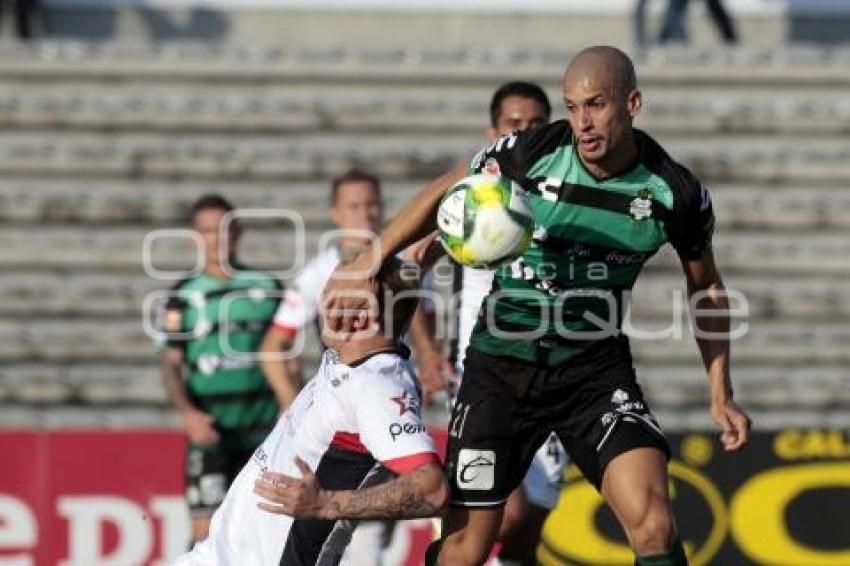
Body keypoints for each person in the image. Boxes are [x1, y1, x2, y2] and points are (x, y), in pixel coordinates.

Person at [322, 46, 752, 566]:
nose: (583, 122)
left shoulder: (675, 193)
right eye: (572, 107)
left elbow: (705, 287)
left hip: (593, 376)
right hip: (500, 371)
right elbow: (447, 189)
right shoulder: (532, 152)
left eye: (595, 104)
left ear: (633, 102)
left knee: (655, 525)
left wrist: (720, 390)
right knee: (466, 549)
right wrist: (370, 260)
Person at [175, 246, 449, 566]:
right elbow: (414, 259)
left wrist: (330, 504)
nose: (324, 300)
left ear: (362, 316)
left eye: (334, 292)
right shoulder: (345, 359)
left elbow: (432, 490)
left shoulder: (377, 386)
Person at [258, 168, 446, 563]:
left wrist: (429, 358)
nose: (365, 215)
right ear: (336, 213)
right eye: (354, 206)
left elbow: (416, 314)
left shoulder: (397, 265)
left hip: (370, 402)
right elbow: (275, 345)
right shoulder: (319, 273)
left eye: (371, 204)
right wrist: (293, 406)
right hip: (333, 404)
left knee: (365, 535)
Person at [452, 80, 567, 566]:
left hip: (557, 368)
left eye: (536, 125)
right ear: (494, 131)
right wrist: (429, 353)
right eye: (513, 124)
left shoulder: (567, 194)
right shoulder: (474, 196)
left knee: (533, 520)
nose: (524, 133)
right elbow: (414, 261)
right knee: (500, 512)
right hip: (485, 370)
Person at [158, 195, 298, 544]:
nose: (216, 239)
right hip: (211, 434)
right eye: (207, 231)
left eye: (223, 230)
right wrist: (188, 414)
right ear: (195, 236)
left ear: (238, 232)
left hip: (264, 434)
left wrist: (289, 402)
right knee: (206, 536)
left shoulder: (267, 288)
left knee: (265, 535)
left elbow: (286, 354)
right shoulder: (182, 296)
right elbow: (171, 366)